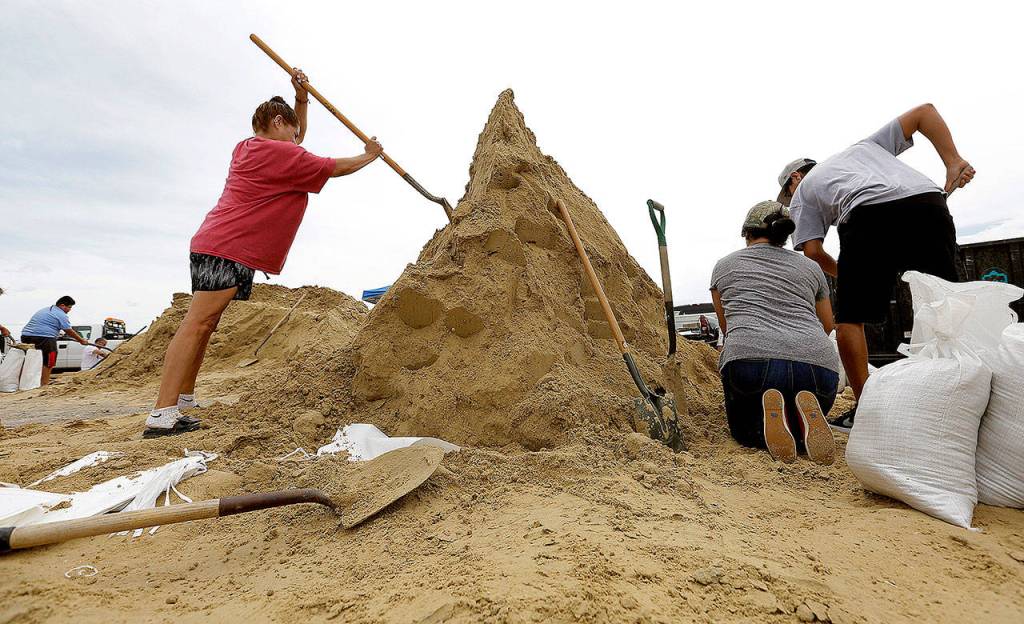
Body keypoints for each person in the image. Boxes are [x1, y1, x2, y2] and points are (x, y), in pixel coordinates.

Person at [143, 68, 384, 438]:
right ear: (276, 122)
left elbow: (296, 140)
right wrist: (369, 155)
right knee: (197, 323)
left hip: (226, 246)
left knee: (207, 326)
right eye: (291, 128)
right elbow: (333, 167)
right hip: (225, 246)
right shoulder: (275, 154)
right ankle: (161, 414)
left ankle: (183, 402)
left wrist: (300, 99)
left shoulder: (251, 147)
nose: (297, 136)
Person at [777, 103, 975, 432]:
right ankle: (963, 386)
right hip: (928, 204)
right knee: (945, 302)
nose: (790, 200)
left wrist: (851, 274)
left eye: (787, 192)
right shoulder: (865, 148)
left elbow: (812, 251)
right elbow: (925, 112)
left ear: (796, 178)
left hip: (868, 216)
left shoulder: (804, 193)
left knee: (849, 320)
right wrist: (953, 162)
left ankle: (867, 409)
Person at [710, 201, 840, 465]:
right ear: (784, 236)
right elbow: (827, 325)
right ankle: (802, 427)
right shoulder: (811, 268)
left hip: (751, 362)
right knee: (802, 408)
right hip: (818, 367)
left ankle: (763, 427)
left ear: (747, 232)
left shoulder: (724, 266)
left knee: (745, 433)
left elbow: (728, 328)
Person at [20, 296, 90, 386]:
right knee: (49, 361)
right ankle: (44, 384)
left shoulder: (45, 310)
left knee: (29, 360)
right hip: (45, 338)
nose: (70, 310)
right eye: (69, 307)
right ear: (62, 305)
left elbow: (45, 324)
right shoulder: (61, 314)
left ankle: (23, 383)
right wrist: (81, 340)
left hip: (26, 336)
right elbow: (68, 330)